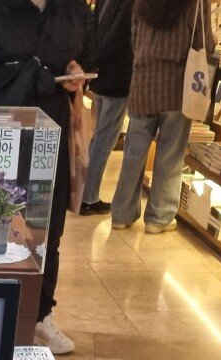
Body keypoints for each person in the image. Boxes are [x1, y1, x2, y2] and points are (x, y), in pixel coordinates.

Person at [0, 0, 98, 356]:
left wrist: (76, 71)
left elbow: (89, 54)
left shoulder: (73, 8)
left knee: (47, 229)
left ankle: (39, 316)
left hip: (49, 135)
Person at [111, 0, 212, 233]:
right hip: (176, 87)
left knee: (133, 154)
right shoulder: (197, 2)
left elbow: (134, 38)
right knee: (170, 154)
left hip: (143, 82)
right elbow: (204, 42)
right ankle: (159, 217)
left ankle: (121, 214)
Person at [81, 0, 134, 215]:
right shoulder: (128, 4)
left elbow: (94, 28)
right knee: (104, 141)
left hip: (101, 77)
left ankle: (84, 192)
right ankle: (88, 197)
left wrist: (93, 62)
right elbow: (118, 37)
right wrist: (97, 60)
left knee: (99, 138)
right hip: (116, 79)